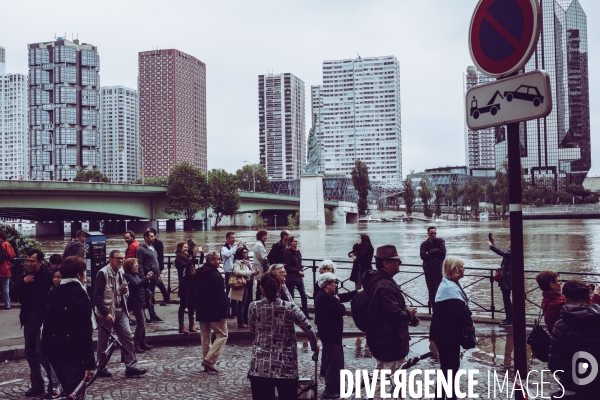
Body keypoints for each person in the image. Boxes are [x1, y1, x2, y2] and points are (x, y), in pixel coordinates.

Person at [247, 271, 319, 400]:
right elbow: (309, 329)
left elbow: (252, 331)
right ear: (280, 287)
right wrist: (314, 347)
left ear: (261, 288)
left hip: (260, 366)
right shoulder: (290, 308)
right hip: (286, 367)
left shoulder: (253, 306)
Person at [42, 256, 94, 398]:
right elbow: (85, 331)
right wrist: (89, 363)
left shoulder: (53, 293)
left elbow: (47, 326)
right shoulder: (80, 295)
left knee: (67, 389)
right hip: (74, 354)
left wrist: (46, 352)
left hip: (55, 352)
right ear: (78, 274)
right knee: (75, 393)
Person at [363, 245, 418, 372]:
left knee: (382, 376)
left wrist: (409, 315)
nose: (400, 262)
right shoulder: (383, 286)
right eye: (396, 260)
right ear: (386, 263)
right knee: (390, 378)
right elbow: (395, 315)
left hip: (383, 340)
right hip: (390, 342)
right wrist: (409, 314)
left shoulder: (379, 282)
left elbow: (387, 310)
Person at [94, 250, 147, 378]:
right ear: (111, 259)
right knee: (103, 341)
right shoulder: (102, 273)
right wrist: (106, 313)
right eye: (118, 258)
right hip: (106, 312)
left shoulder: (122, 272)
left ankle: (131, 367)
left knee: (127, 336)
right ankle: (101, 367)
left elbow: (125, 292)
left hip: (120, 309)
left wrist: (124, 292)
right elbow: (96, 297)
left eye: (123, 258)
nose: (121, 261)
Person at [11, 249, 56, 397]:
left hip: (44, 318)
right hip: (29, 316)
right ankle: (37, 385)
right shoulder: (25, 276)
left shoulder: (49, 276)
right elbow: (12, 294)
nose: (29, 264)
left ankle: (54, 384)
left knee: (42, 353)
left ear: (40, 262)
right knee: (31, 354)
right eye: (27, 260)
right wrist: (23, 283)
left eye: (32, 261)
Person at [429, 256, 474, 399]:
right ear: (455, 270)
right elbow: (463, 312)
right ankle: (445, 395)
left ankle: (447, 394)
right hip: (446, 335)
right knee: (449, 366)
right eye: (461, 267)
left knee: (451, 366)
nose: (463, 269)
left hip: (447, 334)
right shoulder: (449, 289)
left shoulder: (449, 284)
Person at [548, 280, 600, 399]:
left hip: (571, 389)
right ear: (588, 297)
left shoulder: (560, 326)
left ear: (565, 298)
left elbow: (555, 366)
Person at [314, 272, 357, 399]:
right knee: (333, 363)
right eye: (334, 283)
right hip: (331, 335)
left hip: (332, 335)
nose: (336, 285)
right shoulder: (325, 297)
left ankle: (337, 387)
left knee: (337, 362)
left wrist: (356, 292)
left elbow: (341, 297)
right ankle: (330, 391)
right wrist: (339, 302)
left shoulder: (326, 295)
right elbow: (341, 309)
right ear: (327, 284)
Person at [192, 250, 228, 373]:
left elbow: (194, 292)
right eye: (218, 259)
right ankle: (209, 360)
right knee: (223, 335)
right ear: (211, 260)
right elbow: (220, 296)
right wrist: (224, 312)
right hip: (214, 311)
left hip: (202, 309)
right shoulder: (216, 275)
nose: (219, 261)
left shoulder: (198, 273)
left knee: (205, 337)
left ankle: (207, 362)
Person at [123, 257, 153, 353]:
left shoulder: (135, 275)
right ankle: (136, 344)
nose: (138, 267)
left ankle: (142, 342)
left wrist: (147, 280)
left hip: (140, 300)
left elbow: (142, 284)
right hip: (135, 302)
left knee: (142, 322)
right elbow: (136, 285)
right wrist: (146, 278)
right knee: (141, 323)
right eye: (136, 266)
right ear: (130, 267)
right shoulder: (128, 276)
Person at [136, 230, 163, 322]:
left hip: (154, 276)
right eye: (151, 236)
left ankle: (153, 315)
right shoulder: (141, 249)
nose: (154, 238)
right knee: (145, 297)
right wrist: (143, 277)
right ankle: (144, 317)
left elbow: (156, 262)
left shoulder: (152, 248)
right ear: (146, 237)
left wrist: (158, 275)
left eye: (154, 236)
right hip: (147, 276)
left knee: (151, 297)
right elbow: (139, 264)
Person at [175, 241, 201, 334]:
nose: (186, 249)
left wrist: (200, 254)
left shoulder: (188, 257)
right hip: (184, 284)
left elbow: (197, 262)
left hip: (192, 282)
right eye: (184, 247)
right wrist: (194, 256)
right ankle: (181, 326)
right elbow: (187, 265)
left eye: (187, 247)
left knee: (191, 304)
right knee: (183, 305)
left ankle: (191, 325)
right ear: (179, 248)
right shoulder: (178, 258)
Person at [230, 247, 259, 328]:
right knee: (242, 303)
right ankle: (241, 322)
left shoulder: (248, 262)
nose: (245, 254)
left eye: (246, 252)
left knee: (248, 303)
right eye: (243, 252)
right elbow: (236, 272)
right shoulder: (238, 262)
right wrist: (250, 272)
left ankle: (246, 320)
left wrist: (255, 272)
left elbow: (249, 273)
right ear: (240, 254)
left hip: (250, 283)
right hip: (243, 284)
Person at [283, 235, 311, 319]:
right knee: (291, 296)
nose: (296, 242)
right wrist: (297, 271)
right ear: (290, 242)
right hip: (291, 277)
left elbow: (299, 263)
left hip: (299, 276)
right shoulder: (287, 252)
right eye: (295, 241)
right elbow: (286, 266)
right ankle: (290, 314)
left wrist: (301, 270)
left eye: (297, 241)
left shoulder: (297, 251)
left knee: (303, 295)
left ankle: (306, 313)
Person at [420, 226, 446, 309]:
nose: (433, 235)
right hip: (428, 271)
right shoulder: (424, 244)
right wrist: (435, 255)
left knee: (439, 291)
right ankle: (434, 310)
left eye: (435, 233)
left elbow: (442, 253)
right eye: (431, 233)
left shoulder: (440, 241)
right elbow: (423, 255)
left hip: (438, 271)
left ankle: (440, 310)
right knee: (431, 292)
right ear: (428, 234)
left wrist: (430, 252)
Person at [488, 238, 512, 325]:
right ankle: (509, 318)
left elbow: (501, 252)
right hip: (506, 279)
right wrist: (493, 244)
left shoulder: (512, 252)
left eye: (510, 241)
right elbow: (502, 252)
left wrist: (491, 246)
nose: (508, 242)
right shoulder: (511, 252)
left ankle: (509, 319)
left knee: (507, 299)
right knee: (506, 299)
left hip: (507, 280)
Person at [147, 227, 170, 306]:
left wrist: (160, 267)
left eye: (149, 232)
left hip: (156, 266)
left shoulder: (158, 243)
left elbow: (160, 256)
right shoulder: (149, 243)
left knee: (158, 282)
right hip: (151, 265)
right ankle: (165, 298)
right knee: (157, 282)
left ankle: (166, 298)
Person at [221, 232, 242, 318]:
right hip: (229, 272)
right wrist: (236, 247)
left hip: (235, 272)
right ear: (227, 239)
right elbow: (227, 254)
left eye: (234, 238)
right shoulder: (224, 248)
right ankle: (227, 311)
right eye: (232, 238)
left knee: (235, 291)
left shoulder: (234, 248)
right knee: (228, 292)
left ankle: (234, 310)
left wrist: (242, 248)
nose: (234, 239)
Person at [0, 231, 16, 310]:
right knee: (5, 287)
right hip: (4, 268)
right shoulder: (6, 244)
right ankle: (7, 305)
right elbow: (12, 255)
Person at [252, 229, 269, 301]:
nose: (266, 237)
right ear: (262, 236)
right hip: (260, 268)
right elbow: (263, 257)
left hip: (259, 267)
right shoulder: (259, 245)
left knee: (260, 284)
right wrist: (269, 257)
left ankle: (259, 299)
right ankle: (259, 300)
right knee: (260, 285)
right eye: (265, 235)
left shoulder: (259, 244)